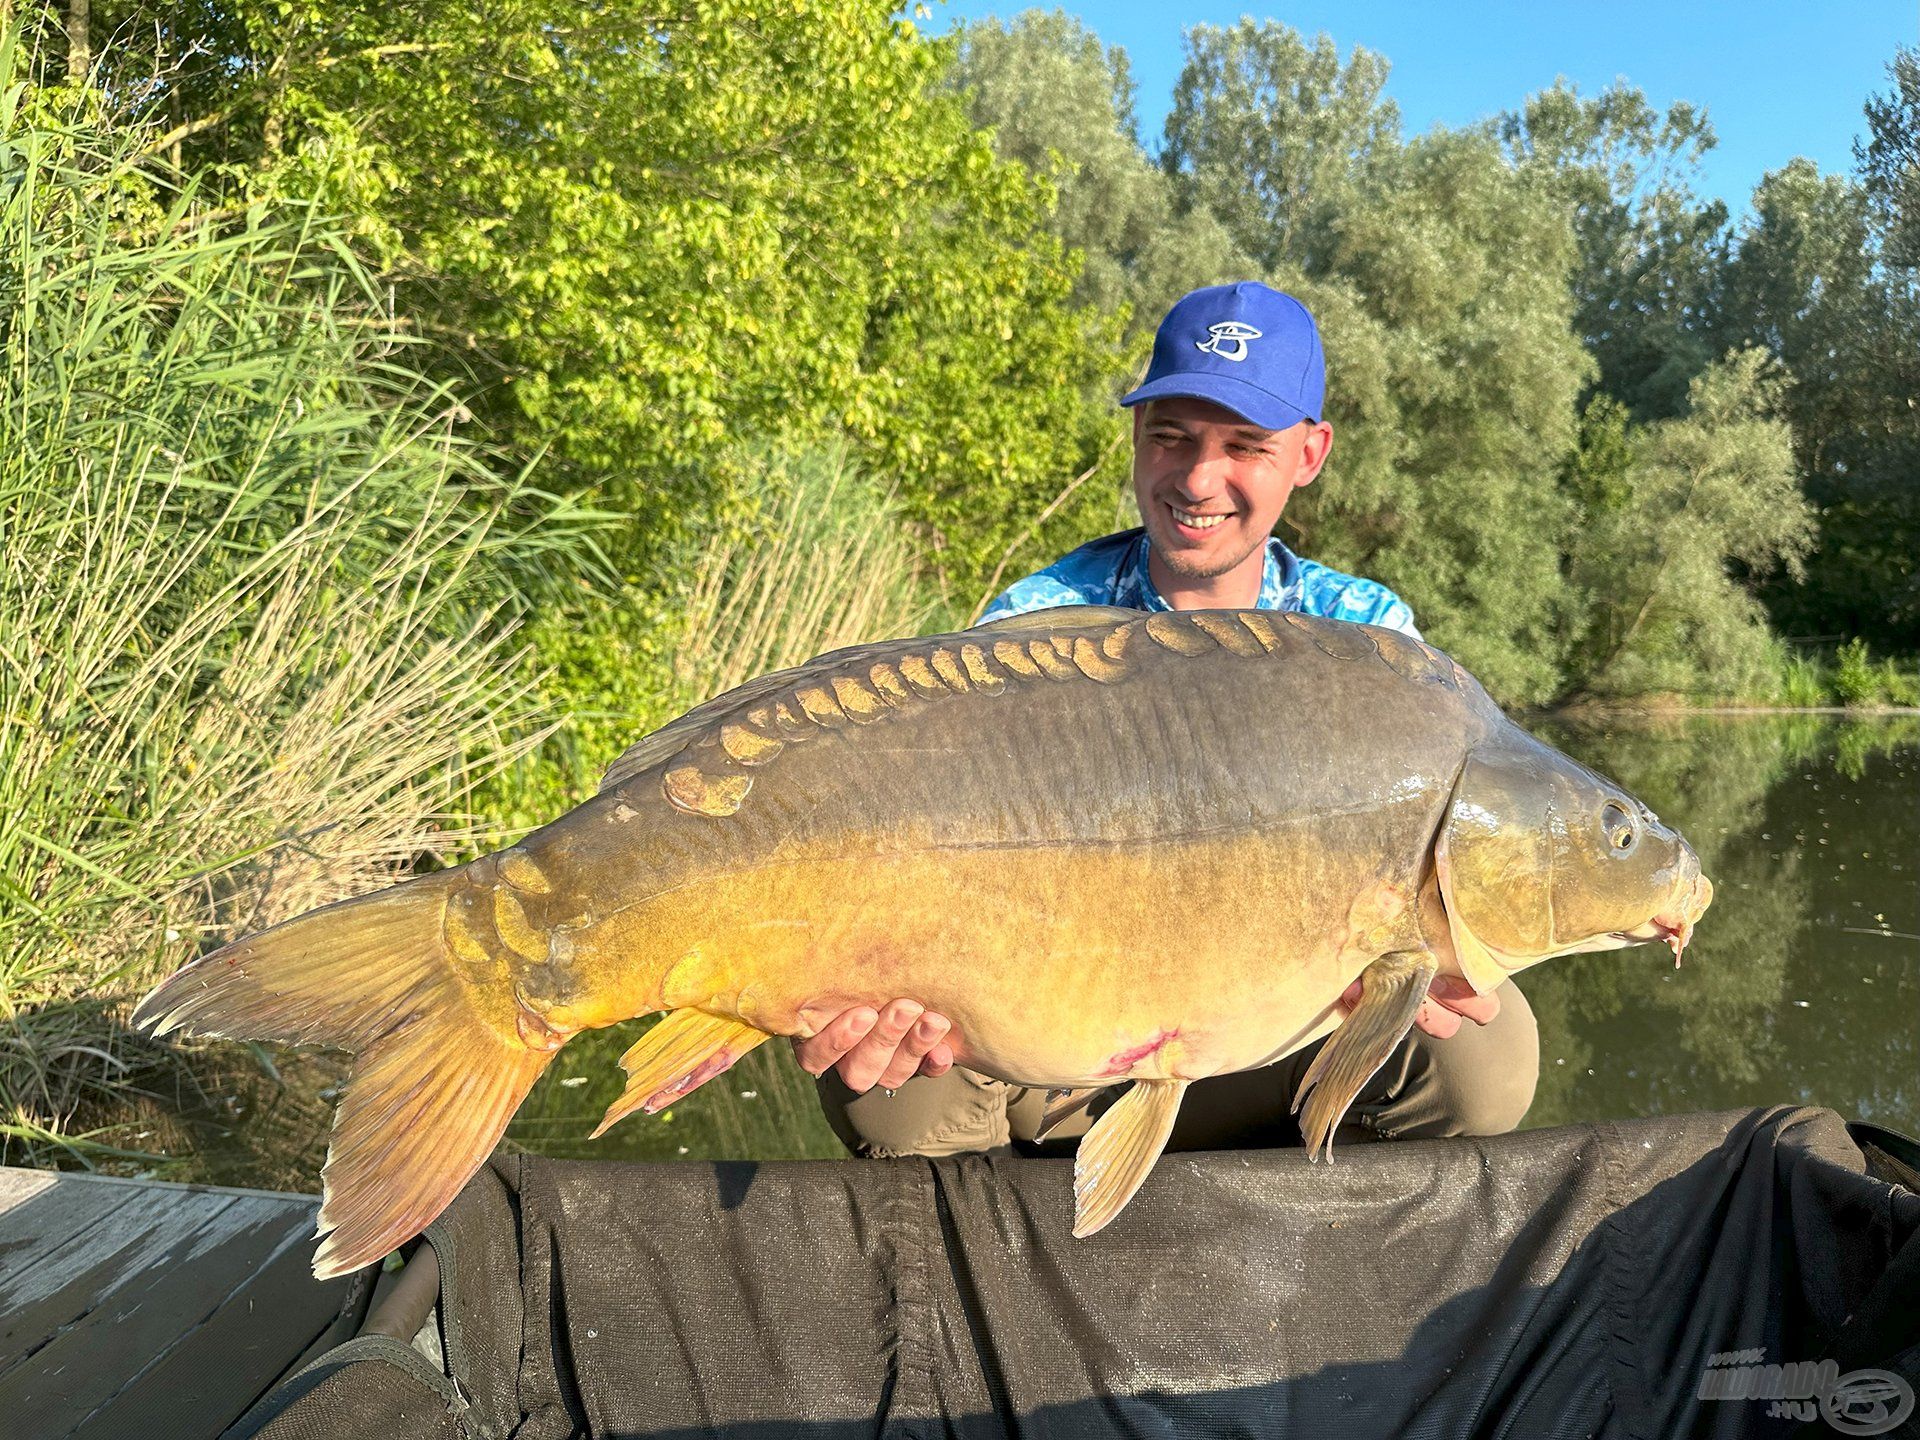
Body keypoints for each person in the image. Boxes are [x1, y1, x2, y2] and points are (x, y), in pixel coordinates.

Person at [792, 281, 1538, 1160]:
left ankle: (1332, 1248)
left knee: (1485, 1055)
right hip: (1069, 1049)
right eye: (1171, 437)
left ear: (1309, 452)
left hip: (1286, 1044)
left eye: (1244, 446)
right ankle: (1012, 1267)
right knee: (889, 1103)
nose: (1197, 478)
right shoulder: (1032, 629)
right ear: (1136, 439)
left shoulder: (1369, 641)